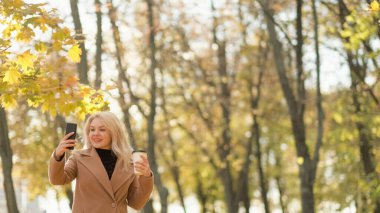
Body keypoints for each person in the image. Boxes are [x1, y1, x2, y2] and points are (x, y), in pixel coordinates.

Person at [49, 111, 153, 213]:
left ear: (114, 133)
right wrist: (58, 155)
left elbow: (136, 203)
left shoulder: (128, 162)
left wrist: (146, 176)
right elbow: (57, 179)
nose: (95, 134)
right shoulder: (79, 157)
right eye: (92, 129)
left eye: (102, 130)